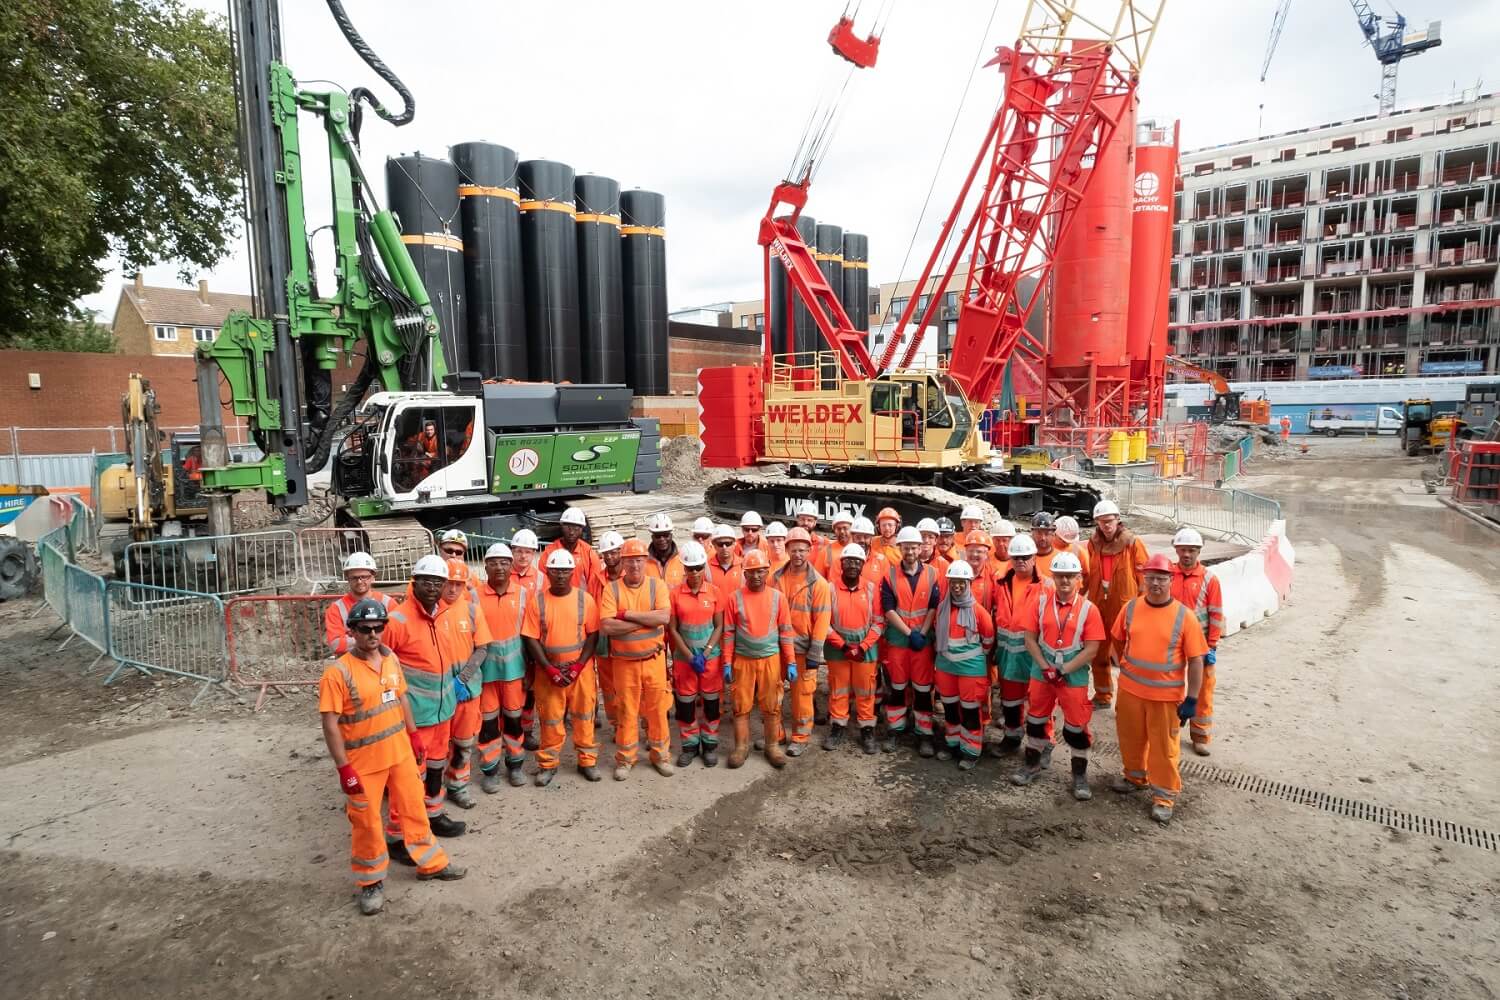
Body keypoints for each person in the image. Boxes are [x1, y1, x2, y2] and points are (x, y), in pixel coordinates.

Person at [319, 598, 464, 916]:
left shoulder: (390, 660)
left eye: (378, 628)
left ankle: (431, 864)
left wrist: (413, 735)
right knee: (367, 822)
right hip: (364, 762)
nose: (373, 634)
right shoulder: (338, 674)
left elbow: (402, 700)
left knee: (414, 809)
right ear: (353, 631)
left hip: (398, 753)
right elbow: (330, 724)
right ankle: (370, 882)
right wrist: (343, 767)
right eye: (365, 629)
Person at [383, 555, 488, 840]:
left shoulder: (443, 616)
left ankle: (433, 813)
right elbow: (382, 670)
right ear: (414, 583)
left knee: (436, 766)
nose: (433, 587)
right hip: (415, 716)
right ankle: (398, 834)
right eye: (427, 581)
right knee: (408, 776)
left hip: (443, 711)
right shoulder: (396, 621)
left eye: (438, 582)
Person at [1110, 554, 1208, 824]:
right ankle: (1134, 776)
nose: (1154, 583)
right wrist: (1124, 666)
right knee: (1130, 737)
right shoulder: (1131, 608)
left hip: (1165, 697)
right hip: (1130, 691)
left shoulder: (1184, 617)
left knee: (1164, 748)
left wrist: (1192, 698)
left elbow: (1196, 660)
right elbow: (1117, 640)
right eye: (1150, 577)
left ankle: (1164, 796)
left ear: (1171, 580)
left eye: (1161, 578)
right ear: (1143, 579)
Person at [1015, 551, 1104, 799]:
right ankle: (1031, 764)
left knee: (1076, 727)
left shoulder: (1089, 610)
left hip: (1072, 674)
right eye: (1059, 576)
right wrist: (1045, 667)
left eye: (1069, 577)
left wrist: (1063, 669)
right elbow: (1029, 639)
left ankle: (1079, 777)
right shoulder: (1040, 603)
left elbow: (1092, 649)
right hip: (1042, 671)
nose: (1064, 581)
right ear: (1053, 578)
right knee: (1035, 720)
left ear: (1079, 579)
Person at [521, 548, 601, 786]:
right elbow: (530, 638)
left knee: (584, 716)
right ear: (548, 572)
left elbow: (593, 635)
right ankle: (548, 765)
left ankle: (587, 762)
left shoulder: (584, 599)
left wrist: (577, 666)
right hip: (549, 673)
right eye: (555, 571)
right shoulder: (538, 602)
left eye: (565, 571)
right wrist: (549, 668)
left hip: (580, 671)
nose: (560, 575)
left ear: (571, 572)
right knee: (550, 720)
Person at [598, 539, 674, 780]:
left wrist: (626, 615)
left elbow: (663, 617)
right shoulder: (612, 589)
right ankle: (625, 759)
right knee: (626, 711)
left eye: (639, 560)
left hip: (654, 661)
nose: (635, 565)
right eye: (630, 560)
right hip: (624, 664)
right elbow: (608, 626)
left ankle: (660, 756)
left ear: (646, 561)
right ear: (622, 562)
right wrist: (644, 620)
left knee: (657, 711)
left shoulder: (657, 586)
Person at [721, 549, 796, 769]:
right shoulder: (734, 599)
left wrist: (790, 661)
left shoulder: (778, 598)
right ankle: (741, 747)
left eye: (761, 571)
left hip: (770, 660)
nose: (756, 576)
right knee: (740, 706)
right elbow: (728, 633)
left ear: (767, 571)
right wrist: (727, 662)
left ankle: (772, 746)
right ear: (744, 574)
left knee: (772, 705)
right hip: (743, 660)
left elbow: (786, 631)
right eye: (751, 572)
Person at [880, 525, 942, 755]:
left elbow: (934, 606)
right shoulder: (890, 576)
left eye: (914, 547)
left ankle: (924, 734)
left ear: (920, 548)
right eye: (906, 547)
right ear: (900, 548)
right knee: (897, 687)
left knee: (923, 690)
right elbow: (888, 609)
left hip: (922, 643)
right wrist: (909, 633)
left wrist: (923, 633)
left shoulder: (933, 574)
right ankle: (895, 730)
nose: (910, 551)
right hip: (899, 641)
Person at [474, 543, 530, 791]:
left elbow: (530, 636)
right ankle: (490, 770)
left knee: (514, 720)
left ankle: (515, 765)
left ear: (511, 566)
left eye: (504, 562)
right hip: (484, 674)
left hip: (514, 673)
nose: (499, 567)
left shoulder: (522, 595)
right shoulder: (473, 596)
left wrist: (532, 670)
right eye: (494, 562)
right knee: (487, 724)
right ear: (485, 566)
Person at [1084, 499, 1149, 710]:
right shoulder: (1093, 543)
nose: (1106, 526)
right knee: (1098, 652)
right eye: (1102, 522)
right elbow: (1088, 574)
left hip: (1123, 607)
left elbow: (1144, 574)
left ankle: (1128, 698)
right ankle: (1102, 695)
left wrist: (1144, 604)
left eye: (1109, 521)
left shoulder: (1132, 543)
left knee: (1126, 656)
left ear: (1118, 520)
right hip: (1098, 606)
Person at [773, 527, 831, 756]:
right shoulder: (775, 577)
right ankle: (775, 733)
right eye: (794, 549)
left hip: (802, 650)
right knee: (772, 692)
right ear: (787, 549)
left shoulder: (819, 584)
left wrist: (815, 654)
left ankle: (801, 736)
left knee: (802, 696)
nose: (798, 554)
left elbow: (822, 621)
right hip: (776, 646)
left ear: (809, 551)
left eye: (802, 550)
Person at [933, 561, 996, 770]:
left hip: (971, 671)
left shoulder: (979, 613)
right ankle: (952, 743)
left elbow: (988, 641)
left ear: (969, 583)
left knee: (970, 711)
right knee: (950, 708)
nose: (957, 587)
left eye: (961, 583)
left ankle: (970, 751)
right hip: (945, 668)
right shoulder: (943, 609)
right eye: (953, 583)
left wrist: (970, 659)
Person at [992, 533, 1051, 758]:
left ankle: (1044, 744)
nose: (1020, 561)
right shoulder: (1001, 583)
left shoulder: (1046, 586)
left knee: (1040, 702)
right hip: (1008, 653)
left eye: (1025, 557)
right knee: (1010, 700)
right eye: (1016, 557)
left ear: (1034, 558)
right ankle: (1012, 737)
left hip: (1035, 654)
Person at [822, 543, 884, 754]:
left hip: (865, 651)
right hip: (836, 649)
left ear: (863, 565)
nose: (852, 565)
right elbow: (824, 622)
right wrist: (842, 644)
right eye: (848, 561)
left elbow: (878, 622)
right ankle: (837, 727)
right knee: (838, 690)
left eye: (857, 562)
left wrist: (863, 646)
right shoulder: (829, 588)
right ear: (842, 564)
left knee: (866, 691)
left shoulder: (871, 589)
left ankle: (867, 730)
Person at [440, 557, 490, 809]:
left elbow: (482, 647)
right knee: (437, 744)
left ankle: (458, 786)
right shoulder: (430, 610)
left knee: (463, 742)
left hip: (465, 691)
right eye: (448, 583)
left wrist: (462, 678)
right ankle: (433, 790)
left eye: (458, 584)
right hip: (437, 692)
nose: (452, 589)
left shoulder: (471, 610)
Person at [669, 541, 724, 767]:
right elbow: (672, 628)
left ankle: (710, 745)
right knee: (685, 705)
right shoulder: (675, 594)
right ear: (684, 569)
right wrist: (689, 656)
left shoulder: (714, 592)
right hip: (685, 661)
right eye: (690, 568)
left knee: (711, 704)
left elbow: (719, 626)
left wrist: (707, 651)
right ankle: (690, 746)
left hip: (710, 659)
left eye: (698, 567)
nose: (694, 572)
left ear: (704, 567)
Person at [1169, 527, 1224, 756]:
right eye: (1183, 550)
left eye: (1191, 550)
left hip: (1199, 645)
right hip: (1171, 644)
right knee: (1172, 688)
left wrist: (1211, 645)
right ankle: (1171, 730)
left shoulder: (1210, 579)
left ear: (1198, 552)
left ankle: (1200, 736)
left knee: (1202, 691)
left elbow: (1216, 613)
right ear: (1176, 550)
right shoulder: (1168, 574)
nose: (1187, 555)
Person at [509, 528, 543, 751]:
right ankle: (509, 731)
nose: (523, 556)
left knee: (530, 687)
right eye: (519, 551)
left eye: (528, 552)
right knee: (510, 687)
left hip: (531, 640)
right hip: (508, 640)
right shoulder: (502, 572)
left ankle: (527, 730)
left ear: (534, 553)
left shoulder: (541, 578)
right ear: (513, 551)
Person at [324, 552, 396, 656]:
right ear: (347, 578)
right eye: (354, 577)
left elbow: (399, 636)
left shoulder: (389, 603)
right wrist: (376, 638)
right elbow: (336, 645)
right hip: (352, 666)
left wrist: (353, 638)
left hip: (384, 664)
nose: (359, 581)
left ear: (372, 577)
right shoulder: (336, 609)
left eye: (364, 577)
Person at [592, 531, 626, 731]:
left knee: (629, 683)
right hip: (603, 639)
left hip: (625, 638)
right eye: (607, 554)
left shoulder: (630, 576)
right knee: (608, 685)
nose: (611, 557)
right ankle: (616, 724)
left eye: (614, 552)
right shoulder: (597, 580)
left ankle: (635, 723)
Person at [542, 507, 604, 594]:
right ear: (562, 526)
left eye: (576, 528)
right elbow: (543, 584)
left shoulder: (589, 553)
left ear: (582, 529)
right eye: (568, 527)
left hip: (581, 604)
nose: (571, 532)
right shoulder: (549, 553)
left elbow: (594, 586)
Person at [644, 512, 686, 587]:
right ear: (652, 538)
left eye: (666, 535)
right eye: (658, 536)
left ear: (671, 536)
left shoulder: (683, 559)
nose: (662, 539)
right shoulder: (643, 561)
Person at [850, 515, 891, 587]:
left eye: (866, 537)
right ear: (852, 537)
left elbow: (887, 590)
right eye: (858, 537)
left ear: (871, 538)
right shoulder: (842, 560)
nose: (862, 540)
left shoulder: (882, 561)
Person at [813, 509, 855, 577]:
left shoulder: (858, 549)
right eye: (838, 529)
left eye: (845, 528)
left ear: (852, 529)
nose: (842, 531)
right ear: (834, 530)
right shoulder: (826, 551)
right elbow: (817, 579)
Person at [706, 523, 744, 597]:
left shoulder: (744, 566)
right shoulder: (706, 568)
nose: (724, 547)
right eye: (720, 544)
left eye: (728, 543)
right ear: (714, 545)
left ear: (734, 543)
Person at [1030, 512, 1060, 579]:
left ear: (1054, 535)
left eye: (1047, 534)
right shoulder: (1024, 559)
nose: (1043, 538)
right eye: (1039, 533)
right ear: (1032, 533)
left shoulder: (1060, 559)